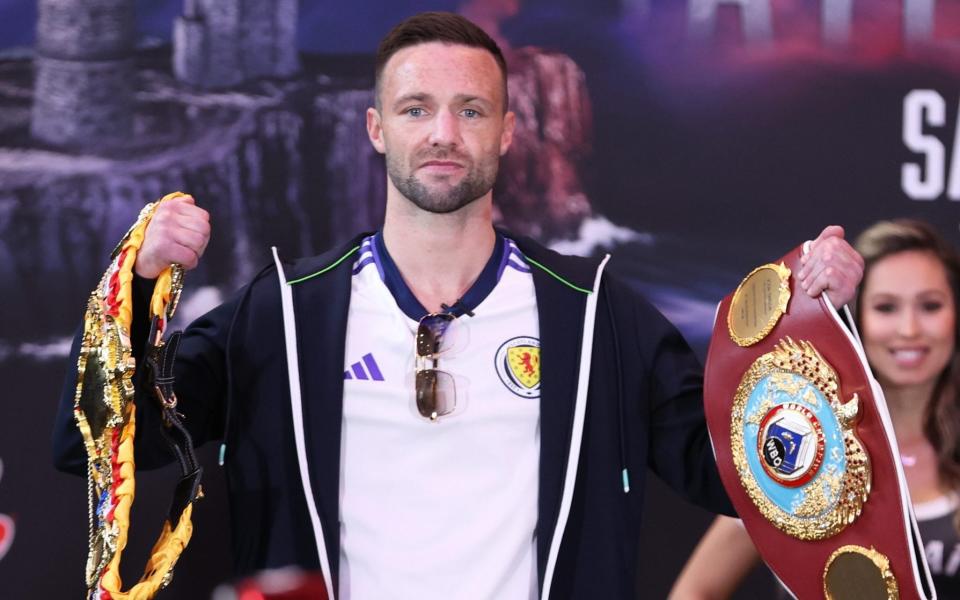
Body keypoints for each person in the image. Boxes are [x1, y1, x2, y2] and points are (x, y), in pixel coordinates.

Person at [53, 12, 864, 600]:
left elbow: (734, 470)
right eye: (416, 109)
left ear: (509, 129)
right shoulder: (285, 312)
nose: (444, 132)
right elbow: (101, 445)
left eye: (470, 109)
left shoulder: (594, 313)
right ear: (375, 129)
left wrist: (812, 329)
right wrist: (136, 283)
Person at [669, 219, 960, 599]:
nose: (909, 329)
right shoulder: (799, 440)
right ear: (858, 318)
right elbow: (695, 591)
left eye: (930, 306)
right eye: (886, 307)